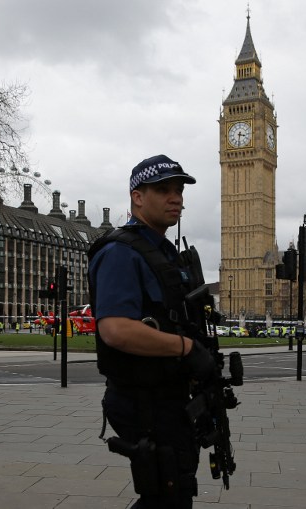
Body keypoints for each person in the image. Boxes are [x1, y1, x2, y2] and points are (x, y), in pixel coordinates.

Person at [88, 154, 217, 509]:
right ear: (137, 197)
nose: (176, 198)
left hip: (170, 397)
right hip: (143, 399)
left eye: (178, 190)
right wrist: (187, 348)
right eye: (163, 189)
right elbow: (115, 329)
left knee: (171, 493)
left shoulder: (166, 253)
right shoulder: (120, 252)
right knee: (167, 495)